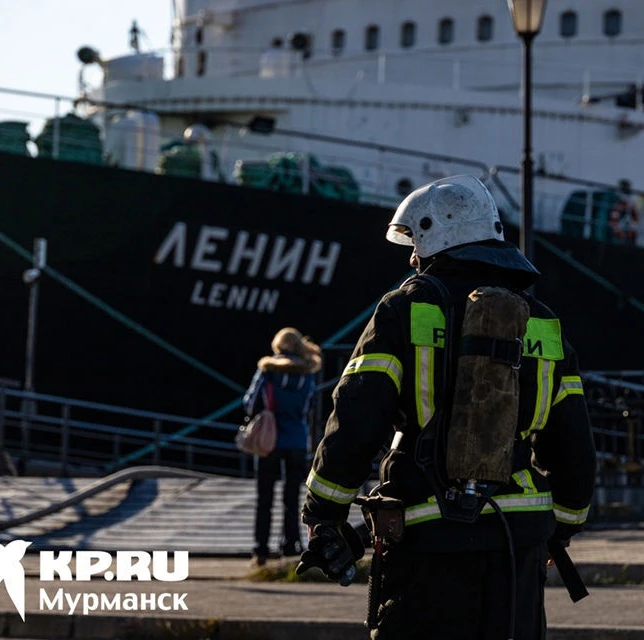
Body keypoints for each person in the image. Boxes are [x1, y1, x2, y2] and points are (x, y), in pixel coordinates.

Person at [299, 174, 597, 639]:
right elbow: (573, 446)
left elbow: (357, 417)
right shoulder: (541, 322)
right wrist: (562, 526)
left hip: (427, 544)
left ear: (437, 235)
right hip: (518, 545)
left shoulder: (405, 309)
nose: (412, 256)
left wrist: (324, 513)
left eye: (414, 243)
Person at [244, 327, 322, 567]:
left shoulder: (267, 371)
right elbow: (307, 407)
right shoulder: (306, 375)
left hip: (270, 440)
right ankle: (291, 546)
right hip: (297, 439)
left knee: (264, 497)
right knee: (292, 497)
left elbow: (250, 403)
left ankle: (261, 550)